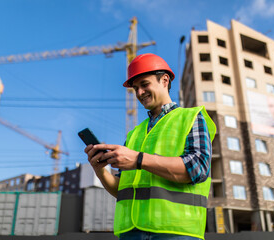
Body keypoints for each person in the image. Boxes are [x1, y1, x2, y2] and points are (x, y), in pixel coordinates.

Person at [84, 53, 216, 239]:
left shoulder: (191, 117)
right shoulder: (134, 134)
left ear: (164, 80)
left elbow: (198, 168)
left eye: (144, 84)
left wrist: (139, 159)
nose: (139, 93)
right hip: (131, 232)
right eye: (135, 88)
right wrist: (100, 171)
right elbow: (121, 190)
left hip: (176, 232)